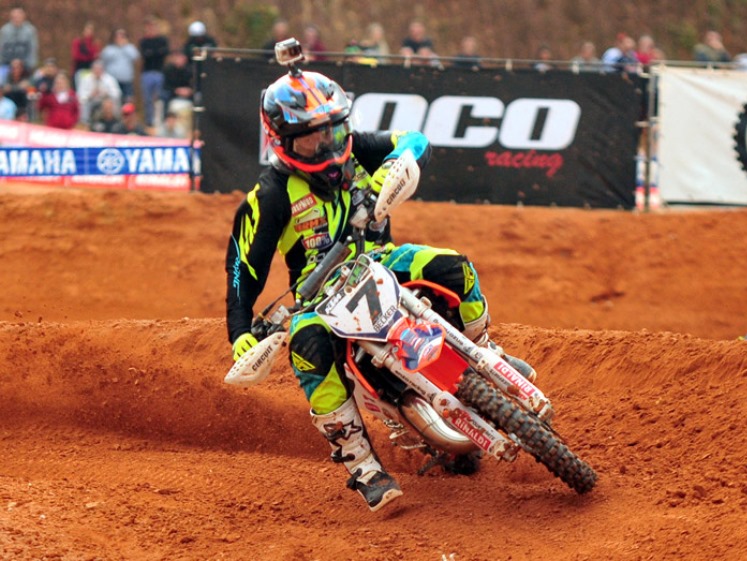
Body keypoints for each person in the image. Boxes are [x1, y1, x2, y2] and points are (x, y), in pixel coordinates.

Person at [225, 68, 536, 512]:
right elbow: (243, 267)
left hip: (382, 262)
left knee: (454, 267)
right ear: (283, 142)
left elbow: (416, 140)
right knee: (307, 346)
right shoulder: (271, 194)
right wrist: (239, 331)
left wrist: (394, 164)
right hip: (321, 297)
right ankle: (363, 465)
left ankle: (484, 350)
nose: (326, 145)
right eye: (310, 139)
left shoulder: (356, 150)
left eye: (332, 130)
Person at [139, 16, 170, 127]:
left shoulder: (162, 40)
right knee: (147, 99)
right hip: (147, 72)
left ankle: (159, 120)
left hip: (159, 72)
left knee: (159, 97)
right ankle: (149, 121)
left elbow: (164, 53)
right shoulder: (144, 41)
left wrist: (152, 53)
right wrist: (156, 52)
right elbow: (145, 54)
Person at [76, 59, 122, 126]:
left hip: (105, 101)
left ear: (103, 70)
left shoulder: (109, 79)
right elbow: (80, 96)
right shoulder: (86, 80)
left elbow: (117, 93)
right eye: (95, 69)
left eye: (99, 69)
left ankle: (113, 123)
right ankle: (85, 123)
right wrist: (90, 95)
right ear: (92, 70)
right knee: (84, 104)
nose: (97, 71)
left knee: (112, 103)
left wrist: (107, 93)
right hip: (91, 101)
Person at [100, 28, 139, 102]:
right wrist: (117, 48)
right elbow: (104, 58)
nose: (120, 39)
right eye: (118, 37)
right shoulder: (109, 48)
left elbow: (135, 56)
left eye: (122, 36)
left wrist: (124, 46)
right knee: (114, 101)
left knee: (128, 101)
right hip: (112, 80)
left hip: (126, 80)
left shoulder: (129, 47)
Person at [0, 6, 38, 78]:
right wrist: (10, 62)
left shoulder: (30, 31)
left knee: (30, 81)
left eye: (18, 16)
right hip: (6, 64)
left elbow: (32, 50)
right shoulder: (4, 31)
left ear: (23, 17)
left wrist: (23, 63)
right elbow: (2, 49)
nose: (16, 19)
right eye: (14, 17)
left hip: (25, 65)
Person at [71, 21, 100, 89]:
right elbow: (76, 56)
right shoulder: (77, 41)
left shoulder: (94, 43)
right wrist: (88, 56)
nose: (89, 32)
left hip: (90, 69)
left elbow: (96, 55)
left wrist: (87, 55)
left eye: (91, 30)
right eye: (87, 29)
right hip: (79, 68)